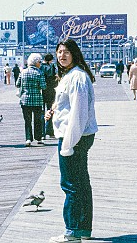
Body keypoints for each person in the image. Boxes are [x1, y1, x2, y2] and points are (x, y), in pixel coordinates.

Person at [46, 39, 98, 243]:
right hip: (76, 135)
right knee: (81, 183)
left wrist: (68, 145)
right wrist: (54, 110)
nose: (62, 55)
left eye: (66, 52)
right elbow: (68, 105)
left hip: (74, 136)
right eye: (59, 52)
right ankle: (83, 228)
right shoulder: (71, 75)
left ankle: (72, 230)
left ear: (74, 54)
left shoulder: (77, 77)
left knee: (71, 184)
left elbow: (78, 113)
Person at [16, 53, 47, 146]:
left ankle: (28, 139)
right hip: (37, 100)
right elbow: (43, 86)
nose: (40, 64)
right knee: (37, 120)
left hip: (25, 100)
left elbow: (18, 84)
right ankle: (38, 138)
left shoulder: (23, 72)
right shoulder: (39, 73)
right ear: (36, 62)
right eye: (39, 62)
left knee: (27, 120)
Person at [40, 53, 58, 138]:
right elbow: (54, 78)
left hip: (41, 91)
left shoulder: (39, 67)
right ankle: (49, 130)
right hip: (50, 91)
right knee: (50, 111)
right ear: (50, 60)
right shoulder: (52, 67)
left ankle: (42, 132)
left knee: (41, 112)